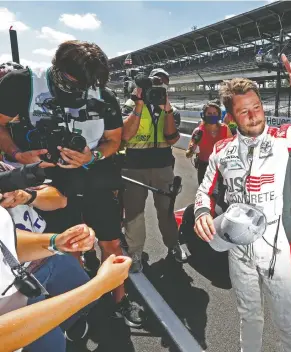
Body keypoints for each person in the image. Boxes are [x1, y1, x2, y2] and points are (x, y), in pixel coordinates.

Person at [193, 54, 291, 351]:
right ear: (231, 117)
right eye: (244, 112)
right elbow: (203, 190)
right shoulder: (221, 149)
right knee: (249, 316)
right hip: (238, 249)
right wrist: (202, 211)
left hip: (278, 251)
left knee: (286, 317)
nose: (254, 116)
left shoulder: (287, 139)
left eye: (257, 107)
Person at [0, 40, 144, 327]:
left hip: (95, 176)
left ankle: (120, 299)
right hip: (47, 179)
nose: (84, 89)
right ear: (57, 68)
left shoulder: (102, 92)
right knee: (68, 247)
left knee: (111, 242)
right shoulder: (23, 83)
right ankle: (78, 307)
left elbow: (114, 140)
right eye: (76, 82)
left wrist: (93, 155)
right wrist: (17, 153)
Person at [0, 205, 132, 352]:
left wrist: (56, 242)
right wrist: (97, 287)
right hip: (17, 327)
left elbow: (7, 242)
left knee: (54, 342)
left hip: (20, 300)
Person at [0, 161, 93, 348]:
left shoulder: (5, 170)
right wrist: (55, 242)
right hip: (12, 286)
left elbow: (59, 199)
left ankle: (64, 324)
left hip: (46, 258)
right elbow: (11, 243)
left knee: (84, 294)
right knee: (52, 344)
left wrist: (27, 196)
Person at [121, 68, 187, 272]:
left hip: (163, 166)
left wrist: (166, 110)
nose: (159, 86)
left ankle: (173, 244)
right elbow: (124, 135)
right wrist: (139, 105)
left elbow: (172, 138)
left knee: (166, 210)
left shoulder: (171, 109)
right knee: (134, 213)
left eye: (163, 82)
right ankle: (135, 252)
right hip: (133, 167)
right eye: (155, 82)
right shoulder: (130, 105)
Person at [186, 100, 233, 184]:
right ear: (204, 115)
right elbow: (188, 154)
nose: (212, 115)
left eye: (215, 113)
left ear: (219, 115)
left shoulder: (225, 129)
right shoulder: (198, 131)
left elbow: (233, 148)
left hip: (222, 167)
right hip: (204, 168)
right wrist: (192, 148)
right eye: (209, 113)